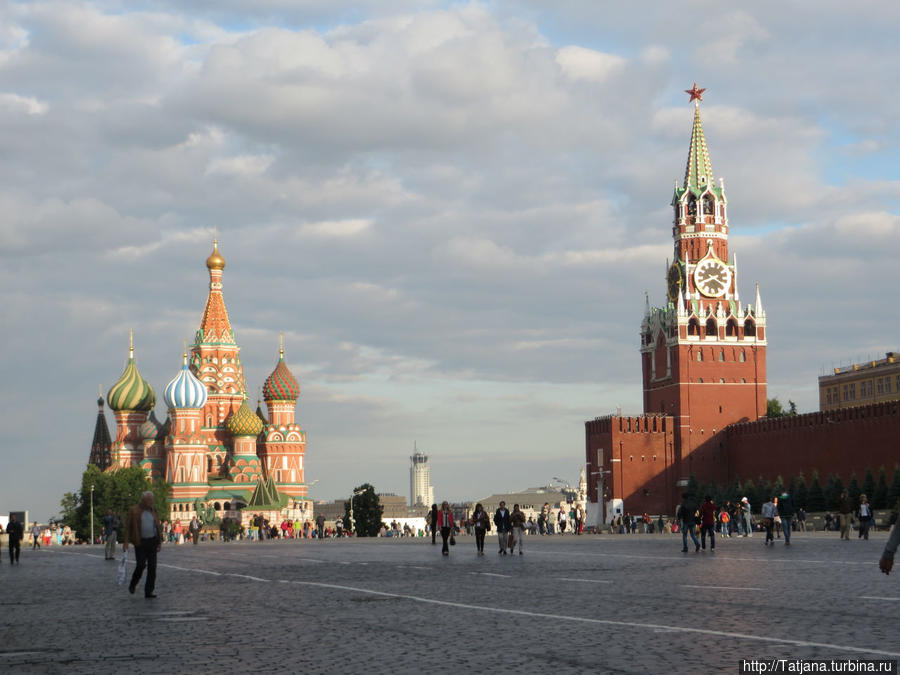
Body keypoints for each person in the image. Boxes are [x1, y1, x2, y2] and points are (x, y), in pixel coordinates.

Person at [123, 491, 163, 598]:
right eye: (149, 500)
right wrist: (125, 542)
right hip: (140, 542)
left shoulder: (154, 510)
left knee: (152, 567)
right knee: (140, 565)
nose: (151, 502)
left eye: (152, 500)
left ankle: (149, 591)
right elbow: (128, 527)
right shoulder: (134, 510)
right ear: (143, 500)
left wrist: (159, 542)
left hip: (152, 542)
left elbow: (157, 526)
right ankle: (133, 583)